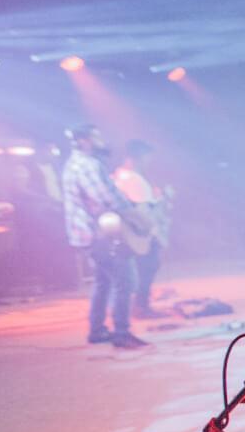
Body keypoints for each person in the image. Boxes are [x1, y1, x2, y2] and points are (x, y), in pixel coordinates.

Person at [61, 125, 146, 348]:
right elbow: (106, 196)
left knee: (103, 281)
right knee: (125, 280)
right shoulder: (87, 165)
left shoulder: (74, 163)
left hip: (88, 233)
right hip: (99, 233)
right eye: (96, 137)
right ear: (84, 141)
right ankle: (121, 333)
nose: (102, 141)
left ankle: (97, 330)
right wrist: (135, 213)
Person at [111, 139, 170, 320]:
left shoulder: (117, 176)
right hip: (142, 235)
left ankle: (132, 306)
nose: (148, 162)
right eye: (147, 157)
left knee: (134, 270)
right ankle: (141, 307)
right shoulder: (135, 180)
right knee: (148, 267)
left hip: (126, 234)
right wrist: (162, 200)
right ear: (139, 157)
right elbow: (143, 212)